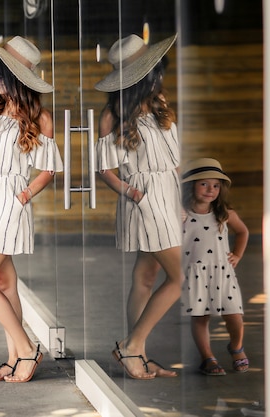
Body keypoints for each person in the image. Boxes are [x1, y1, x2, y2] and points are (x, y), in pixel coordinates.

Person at [0, 35, 62, 383]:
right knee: (4, 281)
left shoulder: (41, 118)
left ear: (18, 77)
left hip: (9, 199)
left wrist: (23, 196)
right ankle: (13, 360)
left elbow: (48, 170)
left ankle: (27, 348)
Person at [95, 33, 181, 379]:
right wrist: (137, 197)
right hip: (142, 197)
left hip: (169, 194)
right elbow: (105, 170)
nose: (158, 74)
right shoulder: (112, 115)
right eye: (152, 69)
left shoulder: (160, 103)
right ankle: (132, 346)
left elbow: (175, 160)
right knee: (182, 276)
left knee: (147, 276)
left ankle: (138, 354)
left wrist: (183, 200)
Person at [180, 158, 250, 376]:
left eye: (216, 185)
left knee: (235, 316)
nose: (211, 189)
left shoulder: (223, 213)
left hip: (223, 273)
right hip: (195, 275)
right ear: (191, 186)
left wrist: (237, 254)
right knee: (200, 318)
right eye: (204, 184)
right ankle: (207, 357)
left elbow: (243, 231)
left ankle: (236, 347)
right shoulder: (182, 214)